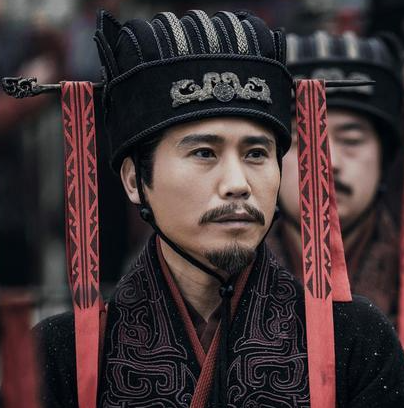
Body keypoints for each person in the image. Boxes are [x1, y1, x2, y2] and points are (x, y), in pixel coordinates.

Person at [34, 11, 404, 407]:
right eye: (204, 153)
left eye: (256, 153)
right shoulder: (60, 354)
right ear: (134, 180)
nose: (237, 184)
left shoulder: (356, 340)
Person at [267, 30, 403, 325]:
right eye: (302, 141)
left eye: (351, 140)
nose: (328, 163)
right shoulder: (221, 278)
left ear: (384, 157)